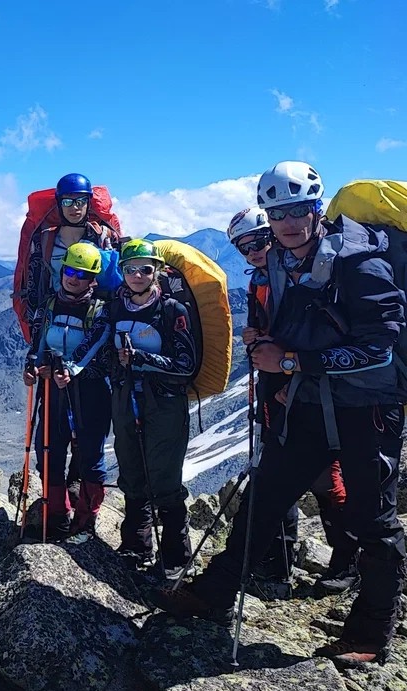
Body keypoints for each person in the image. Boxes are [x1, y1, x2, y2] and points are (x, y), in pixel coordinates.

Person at [160, 162, 406, 666]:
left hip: (370, 406)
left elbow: (382, 349)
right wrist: (270, 342)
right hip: (312, 402)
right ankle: (214, 594)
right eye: (278, 213)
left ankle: (371, 631)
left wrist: (291, 360)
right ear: (267, 218)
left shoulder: (360, 264)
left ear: (317, 209)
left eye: (298, 210)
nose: (289, 222)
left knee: (374, 519)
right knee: (266, 492)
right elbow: (309, 327)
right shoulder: (281, 263)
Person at [226, 208, 359, 599]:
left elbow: (315, 338)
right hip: (278, 389)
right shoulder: (264, 281)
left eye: (256, 241)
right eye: (242, 246)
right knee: (276, 471)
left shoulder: (305, 277)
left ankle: (346, 561)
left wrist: (288, 371)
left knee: (323, 479)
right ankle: (279, 565)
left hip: (307, 390)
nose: (251, 251)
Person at [109, 239, 197, 580]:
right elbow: (104, 353)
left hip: (165, 403)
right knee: (131, 469)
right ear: (121, 272)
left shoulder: (174, 311)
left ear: (157, 272)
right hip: (126, 397)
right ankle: (136, 546)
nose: (137, 275)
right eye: (130, 269)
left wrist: (141, 358)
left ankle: (176, 557)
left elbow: (186, 365)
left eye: (145, 269)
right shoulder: (114, 308)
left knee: (164, 477)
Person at [24, 242, 114, 539]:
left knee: (90, 455)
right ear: (62, 271)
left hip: (91, 393)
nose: (74, 278)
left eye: (84, 274)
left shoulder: (101, 312)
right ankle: (58, 518)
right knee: (48, 451)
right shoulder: (48, 306)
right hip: (52, 391)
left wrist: (71, 370)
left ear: (94, 280)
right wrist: (34, 367)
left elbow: (97, 351)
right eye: (70, 271)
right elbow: (37, 345)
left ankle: (85, 523)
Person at [22, 173, 122, 340]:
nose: (74, 207)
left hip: (97, 319)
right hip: (54, 318)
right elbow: (35, 286)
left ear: (88, 204)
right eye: (67, 201)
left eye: (80, 201)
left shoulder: (104, 238)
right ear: (59, 204)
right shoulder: (44, 240)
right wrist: (36, 329)